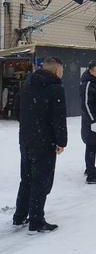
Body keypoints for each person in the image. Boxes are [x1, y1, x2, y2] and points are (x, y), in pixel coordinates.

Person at [13, 57, 67, 233]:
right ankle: (36, 220)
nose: (62, 74)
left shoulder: (28, 84)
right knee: (40, 181)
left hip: (26, 139)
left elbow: (17, 111)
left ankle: (20, 216)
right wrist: (61, 141)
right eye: (61, 71)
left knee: (27, 178)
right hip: (44, 141)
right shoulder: (55, 88)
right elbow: (58, 119)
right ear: (55, 71)